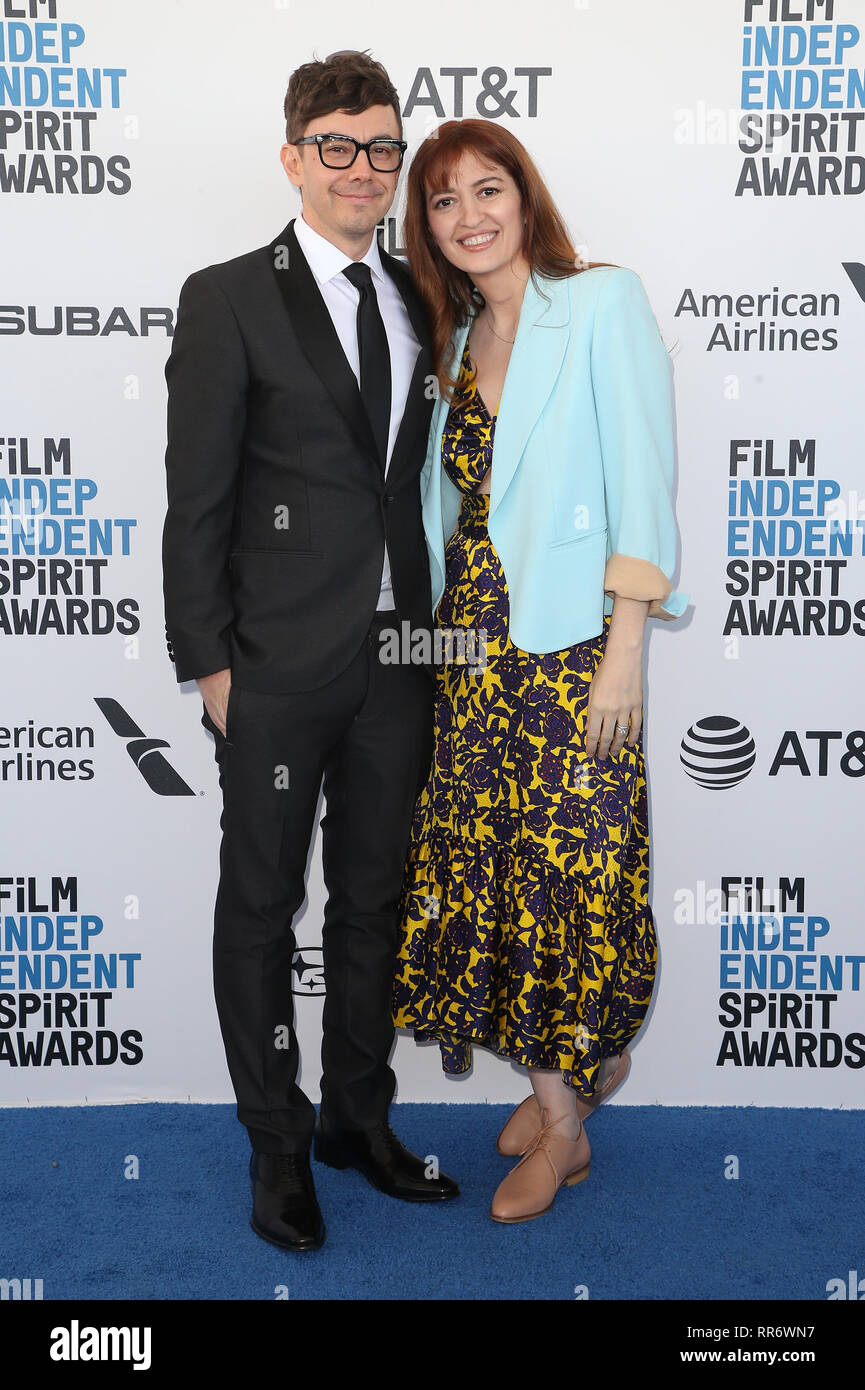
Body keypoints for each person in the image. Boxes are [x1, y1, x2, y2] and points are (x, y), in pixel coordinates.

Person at [161, 51, 459, 1254]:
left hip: (400, 658)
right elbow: (197, 500)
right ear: (294, 158)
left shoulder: (426, 297)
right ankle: (278, 1146)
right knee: (264, 907)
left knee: (375, 900)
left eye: (383, 148)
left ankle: (354, 1118)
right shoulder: (227, 294)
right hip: (274, 666)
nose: (363, 169)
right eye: (337, 146)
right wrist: (213, 665)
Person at [393, 118, 689, 1223]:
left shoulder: (600, 303)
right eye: (441, 200)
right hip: (471, 656)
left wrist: (624, 651)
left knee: (572, 879)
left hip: (572, 656)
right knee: (490, 873)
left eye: (488, 189)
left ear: (525, 197)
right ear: (424, 225)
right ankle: (562, 1087)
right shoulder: (452, 339)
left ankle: (563, 1124)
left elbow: (643, 480)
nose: (468, 215)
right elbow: (447, 517)